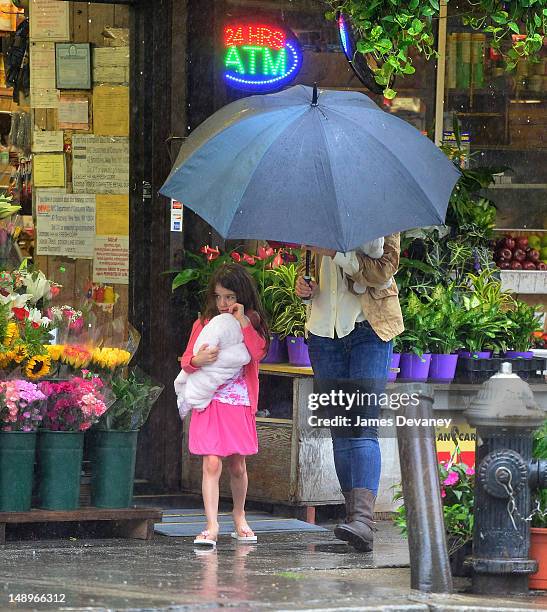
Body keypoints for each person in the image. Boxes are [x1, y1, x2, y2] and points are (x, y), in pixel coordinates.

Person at [295, 234, 404, 553]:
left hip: (369, 329)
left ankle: (363, 520)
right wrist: (304, 290)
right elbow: (315, 278)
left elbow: (383, 271)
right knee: (340, 430)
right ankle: (353, 521)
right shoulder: (317, 218)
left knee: (362, 423)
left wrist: (337, 253)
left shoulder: (381, 211)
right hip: (322, 332)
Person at [179, 263, 269, 547]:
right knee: (211, 462)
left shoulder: (251, 322)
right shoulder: (203, 324)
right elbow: (186, 360)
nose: (223, 303)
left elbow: (258, 353)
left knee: (238, 465)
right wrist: (196, 361)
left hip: (238, 400)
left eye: (229, 297)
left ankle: (239, 516)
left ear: (242, 296)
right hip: (209, 399)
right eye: (218, 297)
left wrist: (243, 322)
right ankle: (211, 525)